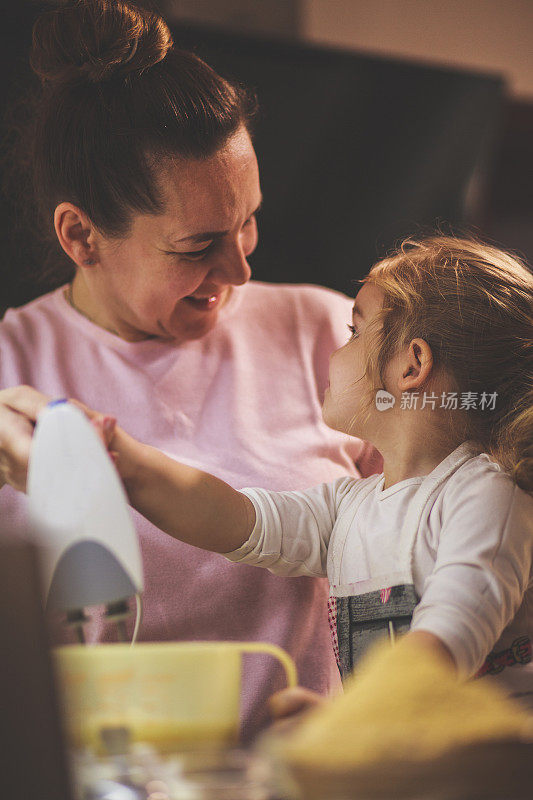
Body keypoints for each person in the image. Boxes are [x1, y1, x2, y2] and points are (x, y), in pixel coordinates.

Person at [0, 0, 381, 739]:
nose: (240, 267)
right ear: (81, 234)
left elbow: (439, 532)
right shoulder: (12, 367)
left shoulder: (329, 335)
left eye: (248, 221)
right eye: (197, 244)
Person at [10, 234, 533, 713]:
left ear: (410, 366)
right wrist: (116, 452)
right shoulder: (351, 508)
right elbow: (232, 517)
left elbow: (445, 646)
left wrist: (340, 723)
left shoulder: (487, 498)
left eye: (354, 332)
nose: (336, 348)